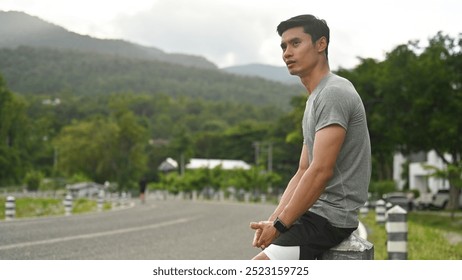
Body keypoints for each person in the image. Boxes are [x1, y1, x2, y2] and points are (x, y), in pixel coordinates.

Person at [250, 14, 371, 260]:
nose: (286, 53)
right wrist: (273, 221)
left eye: (296, 43)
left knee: (257, 269)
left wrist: (281, 226)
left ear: (321, 44)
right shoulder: (316, 97)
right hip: (314, 212)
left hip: (330, 218)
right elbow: (303, 170)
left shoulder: (334, 93)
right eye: (283, 46)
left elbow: (320, 171)